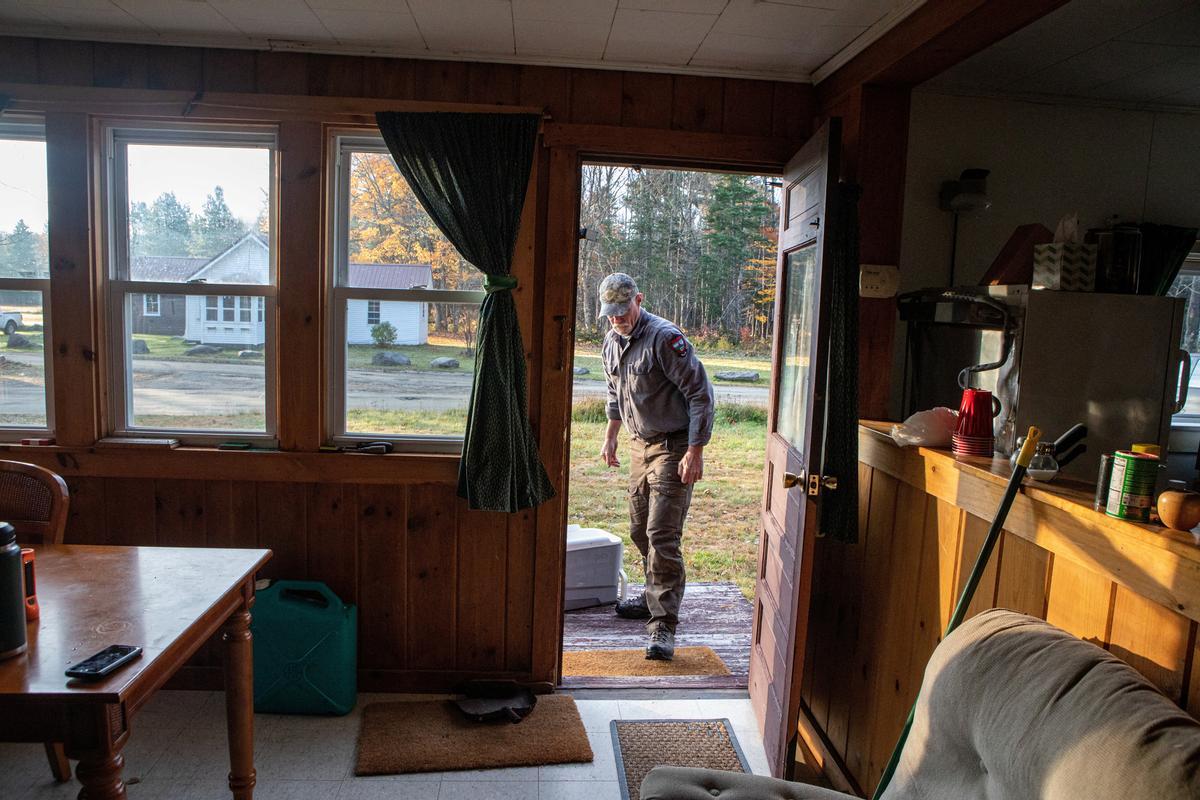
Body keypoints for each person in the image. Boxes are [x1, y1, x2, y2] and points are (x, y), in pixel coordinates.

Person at [598, 272, 714, 661]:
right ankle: (653, 598)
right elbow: (615, 391)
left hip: (673, 446)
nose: (618, 320)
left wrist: (695, 450)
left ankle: (662, 624)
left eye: (623, 311)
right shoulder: (611, 342)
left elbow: (700, 394)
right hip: (637, 445)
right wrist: (611, 435)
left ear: (639, 300)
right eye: (611, 314)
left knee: (662, 536)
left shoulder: (665, 339)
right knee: (638, 530)